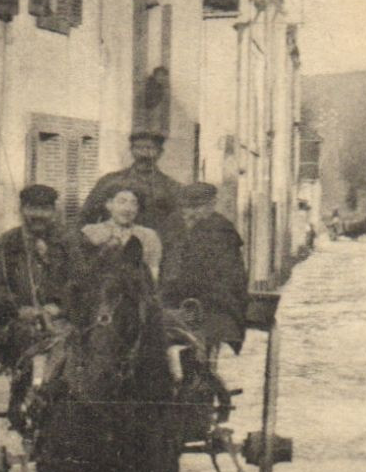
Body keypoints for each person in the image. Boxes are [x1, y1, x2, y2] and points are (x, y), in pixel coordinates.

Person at [0, 184, 75, 369]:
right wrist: (18, 310)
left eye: (45, 209)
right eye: (32, 208)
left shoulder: (69, 243)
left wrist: (60, 307)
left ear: (54, 211)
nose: (38, 214)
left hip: (63, 321)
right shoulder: (4, 244)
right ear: (22, 210)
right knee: (24, 344)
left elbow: (82, 282)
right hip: (20, 323)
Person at [160, 183, 249, 359]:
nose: (191, 213)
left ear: (212, 204)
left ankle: (202, 371)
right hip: (174, 300)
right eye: (186, 208)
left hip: (215, 301)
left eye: (197, 207)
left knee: (204, 330)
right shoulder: (172, 225)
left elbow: (229, 278)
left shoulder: (223, 230)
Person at [80, 131, 182, 236]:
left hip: (153, 246)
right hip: (114, 245)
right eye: (138, 148)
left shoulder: (171, 186)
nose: (144, 153)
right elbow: (86, 217)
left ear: (160, 152)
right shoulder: (110, 181)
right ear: (131, 150)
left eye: (150, 148)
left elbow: (178, 226)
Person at [81, 188, 163, 282]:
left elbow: (153, 273)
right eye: (122, 202)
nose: (128, 208)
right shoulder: (91, 231)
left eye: (133, 203)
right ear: (109, 205)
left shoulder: (149, 235)